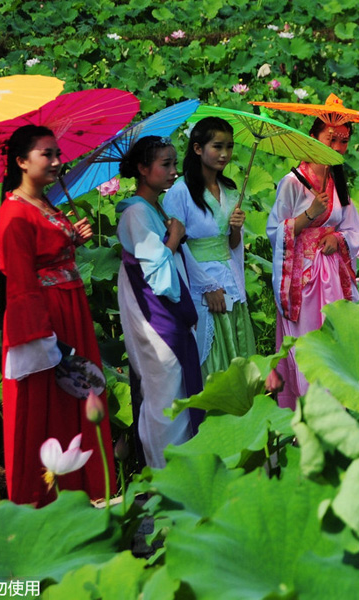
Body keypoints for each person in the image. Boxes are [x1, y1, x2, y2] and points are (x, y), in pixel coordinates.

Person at [0, 125, 115, 506]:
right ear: (21, 161)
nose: (57, 161)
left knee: (76, 398)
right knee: (47, 403)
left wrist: (72, 240)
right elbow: (19, 281)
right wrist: (41, 337)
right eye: (47, 154)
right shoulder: (13, 213)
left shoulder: (46, 204)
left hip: (70, 308)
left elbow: (50, 253)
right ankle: (42, 498)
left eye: (57, 153)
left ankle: (84, 491)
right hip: (44, 317)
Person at [116, 135, 202, 469]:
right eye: (165, 164)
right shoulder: (136, 213)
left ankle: (182, 465)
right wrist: (176, 237)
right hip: (152, 307)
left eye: (173, 164)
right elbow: (156, 268)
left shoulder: (151, 208)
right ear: (142, 168)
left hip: (160, 302)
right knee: (164, 386)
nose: (173, 171)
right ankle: (164, 470)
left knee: (173, 385)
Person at [267, 118, 359, 409]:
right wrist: (311, 214)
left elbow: (353, 230)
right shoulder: (292, 183)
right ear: (312, 138)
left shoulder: (338, 184)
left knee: (333, 342)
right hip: (302, 280)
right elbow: (275, 231)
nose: (337, 147)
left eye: (344, 140)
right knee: (306, 345)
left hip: (332, 275)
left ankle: (336, 409)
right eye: (331, 139)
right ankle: (305, 413)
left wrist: (338, 238)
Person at [163, 117, 256, 379]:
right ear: (197, 148)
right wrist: (207, 287)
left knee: (237, 352)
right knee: (211, 359)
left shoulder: (229, 189)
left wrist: (236, 229)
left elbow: (232, 245)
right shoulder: (179, 192)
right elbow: (178, 246)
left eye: (229, 146)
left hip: (231, 282)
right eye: (217, 146)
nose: (225, 154)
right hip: (200, 284)